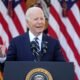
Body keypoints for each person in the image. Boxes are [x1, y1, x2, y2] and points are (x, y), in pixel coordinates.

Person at [0, 6, 65, 62]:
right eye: (36, 19)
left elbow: (61, 66)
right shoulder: (16, 42)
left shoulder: (53, 43)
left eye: (42, 19)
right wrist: (2, 56)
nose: (40, 22)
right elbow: (8, 68)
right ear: (27, 23)